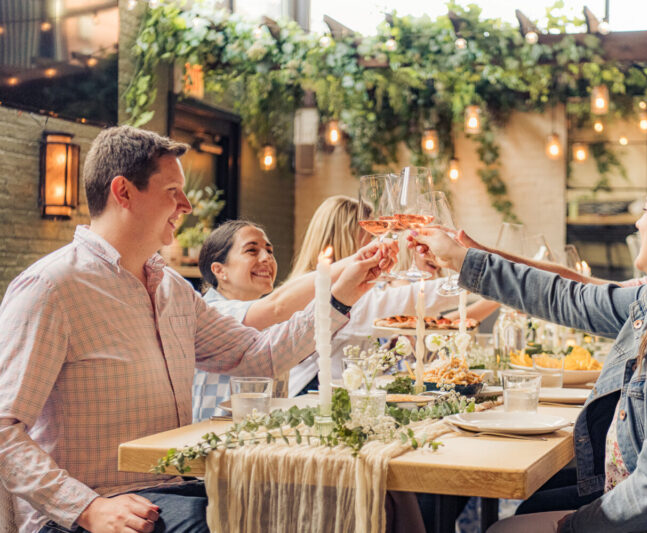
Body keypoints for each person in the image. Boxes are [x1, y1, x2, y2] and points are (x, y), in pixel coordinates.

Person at [0, 126, 393, 533]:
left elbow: (259, 356)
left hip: (173, 486)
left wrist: (340, 296)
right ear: (124, 192)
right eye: (173, 191)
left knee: (325, 503)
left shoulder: (171, 289)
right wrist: (87, 508)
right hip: (89, 510)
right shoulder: (51, 288)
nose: (186, 205)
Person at [414, 161, 647, 531]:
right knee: (530, 509)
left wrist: (571, 526)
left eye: (645, 210)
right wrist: (462, 260)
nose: (637, 223)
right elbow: (568, 297)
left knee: (505, 528)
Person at [285, 196, 499, 397]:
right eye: (371, 236)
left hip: (354, 393)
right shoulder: (323, 289)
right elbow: (409, 300)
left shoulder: (351, 285)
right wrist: (488, 273)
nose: (379, 241)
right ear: (346, 237)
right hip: (315, 397)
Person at [192, 219, 396, 420]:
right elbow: (277, 305)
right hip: (214, 438)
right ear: (219, 270)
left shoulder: (264, 314)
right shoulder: (213, 311)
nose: (266, 258)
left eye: (270, 251)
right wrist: (355, 261)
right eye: (252, 251)